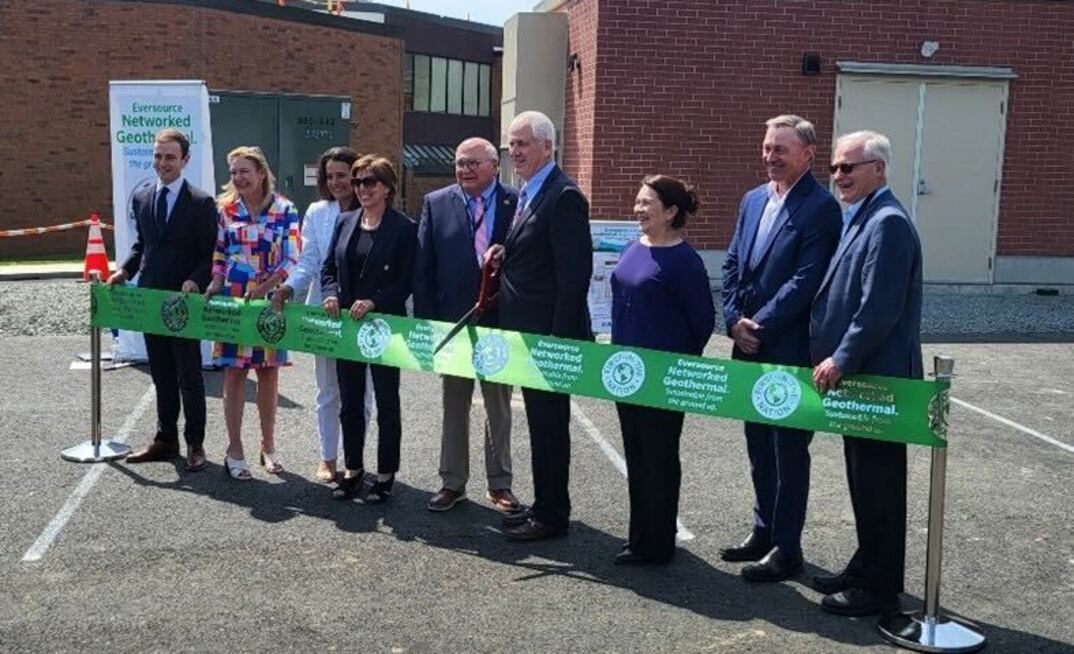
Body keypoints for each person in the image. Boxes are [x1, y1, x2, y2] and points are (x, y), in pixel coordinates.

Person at [720, 115, 841, 580]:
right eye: (767, 147)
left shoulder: (821, 208)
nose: (770, 156)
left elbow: (807, 279)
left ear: (808, 155)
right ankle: (763, 530)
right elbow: (732, 262)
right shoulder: (753, 199)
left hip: (787, 349)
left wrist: (760, 324)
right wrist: (732, 320)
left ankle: (787, 548)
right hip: (746, 345)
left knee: (788, 449)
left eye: (781, 150)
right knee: (757, 443)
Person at [810, 130, 923, 617]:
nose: (839, 176)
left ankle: (878, 588)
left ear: (878, 169)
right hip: (862, 379)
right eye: (835, 168)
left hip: (877, 378)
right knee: (863, 478)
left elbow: (879, 308)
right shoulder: (865, 217)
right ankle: (866, 563)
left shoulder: (888, 223)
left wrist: (842, 357)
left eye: (849, 167)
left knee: (878, 483)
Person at [485, 110, 592, 542]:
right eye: (512, 143)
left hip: (547, 337)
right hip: (524, 332)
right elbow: (536, 254)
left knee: (549, 426)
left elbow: (574, 276)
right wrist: (503, 252)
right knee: (539, 424)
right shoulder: (530, 191)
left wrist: (557, 342)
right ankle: (545, 503)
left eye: (523, 143)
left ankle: (552, 515)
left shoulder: (563, 196)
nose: (515, 151)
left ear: (548, 146)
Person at [610, 175, 715, 565]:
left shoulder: (685, 261)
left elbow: (702, 321)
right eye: (637, 202)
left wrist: (676, 370)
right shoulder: (631, 248)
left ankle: (658, 543)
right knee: (637, 456)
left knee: (660, 457)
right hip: (626, 373)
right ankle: (639, 537)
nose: (638, 209)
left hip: (663, 378)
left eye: (646, 203)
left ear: (671, 212)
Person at [414, 137, 520, 513]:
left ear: (494, 164)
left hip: (498, 320)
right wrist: (428, 326)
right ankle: (452, 482)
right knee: (454, 405)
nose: (465, 170)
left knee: (498, 406)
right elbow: (423, 267)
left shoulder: (515, 201)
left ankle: (500, 484)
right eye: (460, 163)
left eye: (473, 163)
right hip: (451, 323)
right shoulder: (436, 202)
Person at [109, 129, 218, 471]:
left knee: (189, 375)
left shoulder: (200, 203)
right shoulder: (142, 197)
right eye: (158, 156)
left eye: (170, 157)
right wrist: (124, 272)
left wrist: (195, 280)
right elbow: (143, 246)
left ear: (185, 160)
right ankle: (165, 439)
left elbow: (208, 254)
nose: (162, 163)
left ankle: (195, 444)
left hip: (184, 303)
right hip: (152, 300)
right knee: (161, 373)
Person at [271, 146, 374, 484]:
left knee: (361, 393)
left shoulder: (374, 210)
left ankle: (353, 458)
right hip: (324, 312)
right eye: (329, 177)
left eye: (342, 176)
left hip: (364, 316)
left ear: (357, 175)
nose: (335, 183)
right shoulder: (317, 211)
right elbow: (309, 262)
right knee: (328, 390)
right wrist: (288, 288)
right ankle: (328, 458)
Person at [321, 154, 417, 502]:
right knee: (350, 401)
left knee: (387, 401)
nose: (361, 188)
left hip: (384, 326)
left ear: (387, 187)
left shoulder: (404, 229)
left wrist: (375, 300)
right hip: (347, 325)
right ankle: (354, 470)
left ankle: (386, 473)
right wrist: (331, 294)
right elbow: (329, 267)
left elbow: (407, 280)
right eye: (358, 182)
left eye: (369, 182)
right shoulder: (345, 221)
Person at [204, 146, 299, 481]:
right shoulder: (226, 210)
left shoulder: (285, 209)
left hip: (270, 301)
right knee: (234, 373)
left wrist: (267, 286)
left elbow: (292, 257)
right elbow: (218, 252)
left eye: (244, 171)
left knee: (269, 373)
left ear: (262, 173)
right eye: (233, 172)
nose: (238, 178)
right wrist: (216, 281)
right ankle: (234, 448)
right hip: (234, 301)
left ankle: (268, 446)